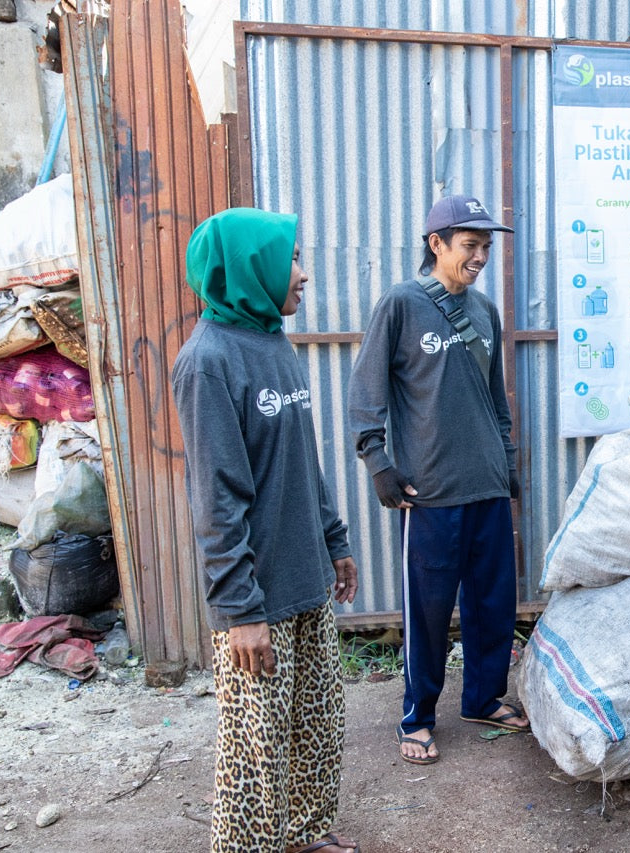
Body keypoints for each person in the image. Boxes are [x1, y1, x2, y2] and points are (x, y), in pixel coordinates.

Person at [171, 208, 361, 853]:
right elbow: (216, 498)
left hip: (305, 572)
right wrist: (240, 611)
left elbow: (302, 461)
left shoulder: (272, 341)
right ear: (252, 267)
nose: (303, 275)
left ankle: (306, 836)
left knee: (316, 724)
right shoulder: (208, 362)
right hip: (257, 595)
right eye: (292, 261)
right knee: (256, 752)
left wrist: (333, 542)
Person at [348, 194, 528, 765]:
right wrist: (377, 459)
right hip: (429, 494)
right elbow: (365, 392)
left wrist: (509, 462)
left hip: (487, 487)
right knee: (427, 612)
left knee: (493, 602)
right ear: (437, 244)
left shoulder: (484, 313)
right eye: (470, 246)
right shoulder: (402, 304)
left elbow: (497, 399)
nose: (480, 257)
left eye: (486, 247)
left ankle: (481, 697)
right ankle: (417, 715)